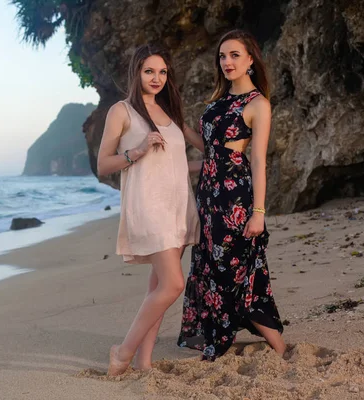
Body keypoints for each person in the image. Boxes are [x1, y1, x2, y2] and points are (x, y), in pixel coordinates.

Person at [177, 29, 286, 361]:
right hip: (208, 198)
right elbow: (210, 151)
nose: (227, 62)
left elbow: (257, 160)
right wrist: (179, 128)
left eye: (234, 55)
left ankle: (278, 346)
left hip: (235, 200)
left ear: (250, 59)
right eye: (222, 56)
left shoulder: (258, 105)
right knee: (209, 268)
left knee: (234, 271)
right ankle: (216, 339)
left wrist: (259, 212)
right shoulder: (217, 100)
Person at [97, 43, 203, 376]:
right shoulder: (122, 111)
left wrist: (221, 155)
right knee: (173, 284)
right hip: (148, 206)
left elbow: (184, 158)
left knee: (158, 286)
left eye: (162, 72)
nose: (156, 78)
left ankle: (144, 361)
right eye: (149, 71)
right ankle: (122, 352)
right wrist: (138, 151)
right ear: (137, 72)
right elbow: (103, 165)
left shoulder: (171, 112)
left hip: (177, 205)